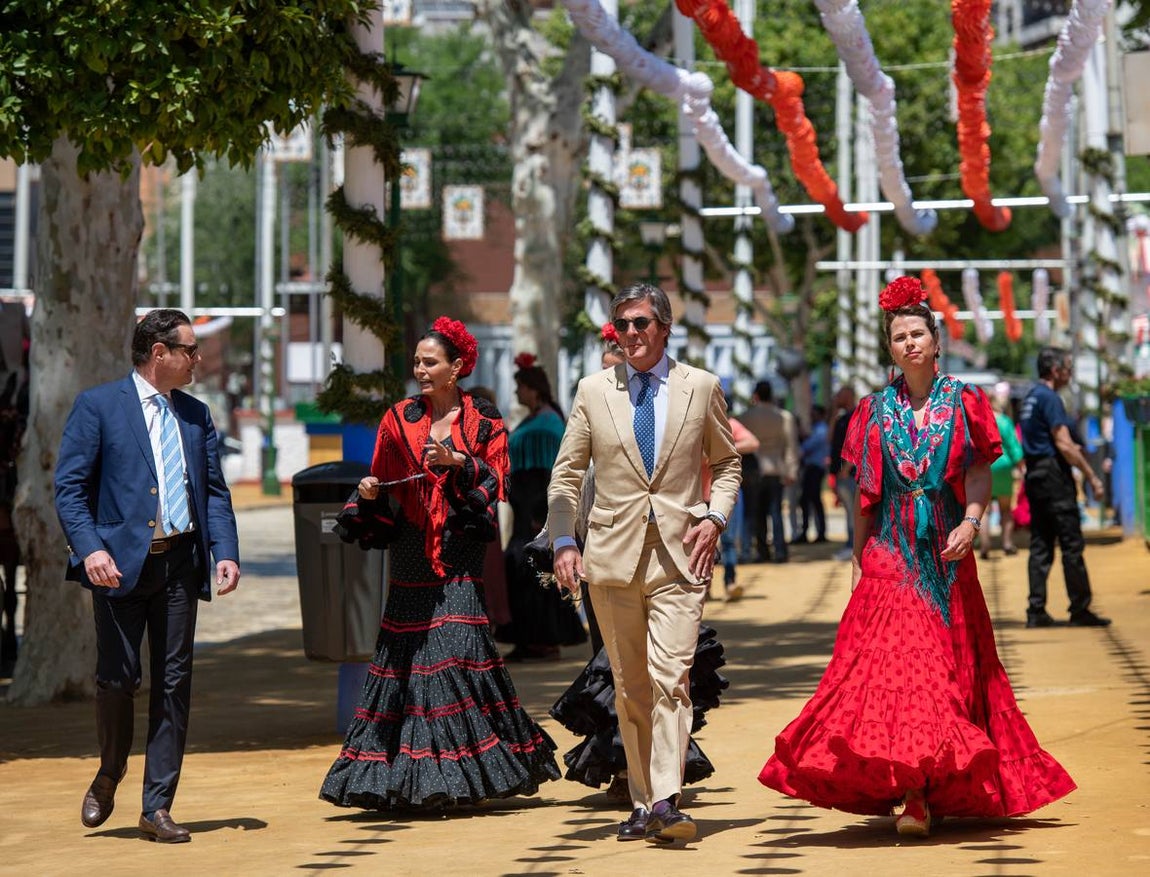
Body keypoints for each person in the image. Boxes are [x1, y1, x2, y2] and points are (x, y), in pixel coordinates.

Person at [759, 277, 1076, 839]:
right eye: (899, 337)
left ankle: (932, 785)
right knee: (902, 670)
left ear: (935, 341)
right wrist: (858, 560)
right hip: (890, 553)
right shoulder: (872, 410)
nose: (909, 343)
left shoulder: (966, 401)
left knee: (947, 673)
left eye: (917, 334)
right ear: (891, 348)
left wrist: (971, 522)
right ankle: (912, 793)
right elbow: (866, 494)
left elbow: (978, 473)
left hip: (947, 556)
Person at [320, 316, 560, 811]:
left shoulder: (484, 418)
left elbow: (498, 478)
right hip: (411, 551)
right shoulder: (398, 418)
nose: (420, 371)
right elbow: (383, 481)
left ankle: (453, 776)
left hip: (460, 547)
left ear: (457, 367)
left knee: (452, 655)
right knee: (410, 661)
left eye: (430, 363)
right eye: (417, 362)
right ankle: (424, 782)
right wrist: (368, 492)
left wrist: (460, 463)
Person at [548, 282, 741, 844]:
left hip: (682, 557)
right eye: (622, 325)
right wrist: (563, 541)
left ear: (664, 328)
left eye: (640, 323)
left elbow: (727, 465)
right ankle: (640, 800)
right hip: (610, 559)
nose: (629, 334)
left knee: (671, 679)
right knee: (630, 686)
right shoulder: (592, 391)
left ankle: (665, 799)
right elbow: (565, 476)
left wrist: (714, 518)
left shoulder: (701, 387)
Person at [54, 309, 241, 843]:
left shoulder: (196, 414)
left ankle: (156, 806)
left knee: (174, 682)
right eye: (190, 350)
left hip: (180, 563)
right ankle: (110, 770)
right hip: (117, 569)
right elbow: (69, 488)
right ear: (159, 353)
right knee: (118, 680)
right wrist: (90, 549)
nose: (197, 359)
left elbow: (214, 491)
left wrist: (224, 550)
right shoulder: (99, 406)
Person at [496, 353, 587, 661]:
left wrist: (541, 514)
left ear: (532, 388)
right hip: (524, 508)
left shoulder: (548, 422)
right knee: (524, 569)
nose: (517, 393)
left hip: (535, 509)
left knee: (532, 569)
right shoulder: (538, 418)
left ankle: (542, 640)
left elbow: (551, 473)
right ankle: (530, 639)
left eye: (520, 387)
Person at [1019, 348, 1110, 628]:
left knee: (1041, 543)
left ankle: (1036, 610)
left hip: (1036, 475)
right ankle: (1080, 608)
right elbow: (1064, 443)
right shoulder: (1050, 398)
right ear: (1055, 370)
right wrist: (1091, 476)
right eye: (1068, 368)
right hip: (1054, 477)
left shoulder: (1031, 397)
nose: (1070, 374)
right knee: (1071, 543)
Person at [740, 380, 799, 562]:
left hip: (753, 469)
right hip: (776, 468)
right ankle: (780, 551)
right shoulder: (784, 416)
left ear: (755, 395)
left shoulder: (745, 417)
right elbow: (791, 447)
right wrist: (792, 471)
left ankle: (762, 550)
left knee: (756, 513)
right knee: (776, 512)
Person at [981, 382, 1024, 558]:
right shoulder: (1005, 421)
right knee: (1005, 509)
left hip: (984, 465)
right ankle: (1007, 543)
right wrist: (1020, 465)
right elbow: (1014, 446)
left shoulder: (980, 420)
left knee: (984, 510)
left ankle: (985, 545)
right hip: (1004, 465)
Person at [828, 384, 858, 561]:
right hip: (840, 472)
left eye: (840, 394)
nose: (836, 397)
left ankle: (852, 546)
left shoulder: (855, 415)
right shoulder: (840, 418)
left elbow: (856, 444)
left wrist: (846, 468)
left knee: (853, 511)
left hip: (850, 473)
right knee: (848, 510)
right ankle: (850, 544)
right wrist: (834, 413)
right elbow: (830, 438)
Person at [793, 404, 829, 544]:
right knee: (811, 500)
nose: (812, 417)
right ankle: (815, 531)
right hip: (813, 468)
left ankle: (816, 532)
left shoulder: (821, 430)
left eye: (814, 414)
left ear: (821, 415)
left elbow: (807, 447)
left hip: (815, 468)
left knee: (810, 500)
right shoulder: (817, 429)